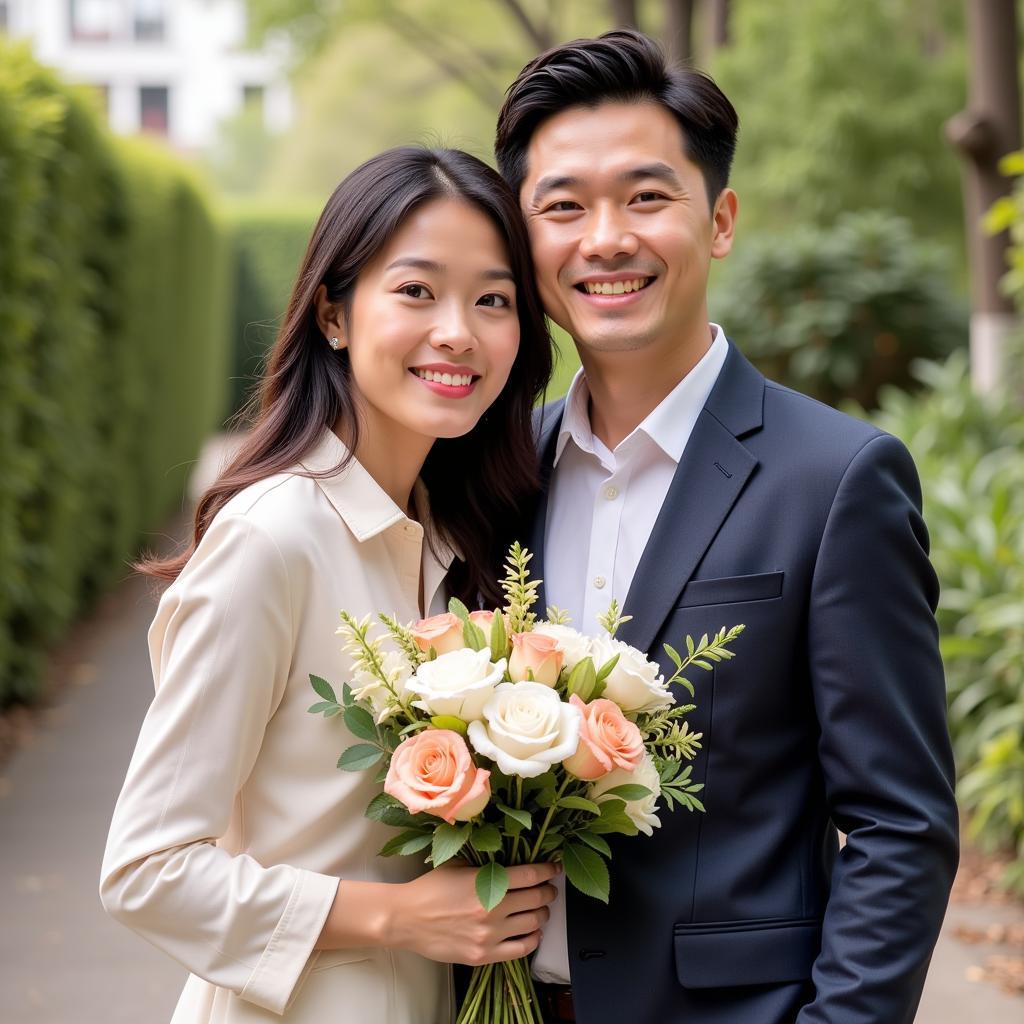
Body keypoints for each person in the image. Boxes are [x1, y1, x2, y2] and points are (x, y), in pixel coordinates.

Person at [494, 30, 959, 1024]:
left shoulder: (835, 480)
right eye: (563, 206)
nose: (605, 236)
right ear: (521, 238)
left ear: (720, 221)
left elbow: (899, 821)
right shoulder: (493, 477)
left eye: (646, 197)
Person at [99, 147, 560, 1024]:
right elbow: (145, 871)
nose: (458, 330)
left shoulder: (458, 544)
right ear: (334, 315)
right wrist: (400, 917)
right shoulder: (273, 540)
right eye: (417, 291)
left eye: (493, 299)